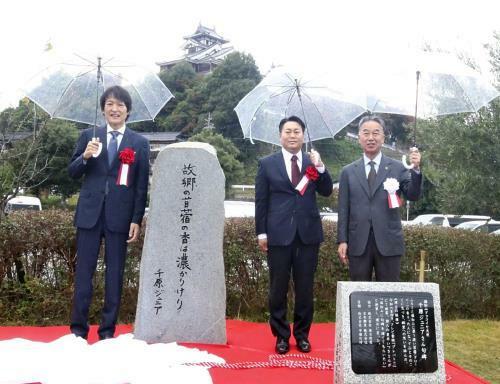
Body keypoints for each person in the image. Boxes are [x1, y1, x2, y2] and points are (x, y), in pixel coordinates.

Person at [68, 85, 150, 340]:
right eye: (110, 104)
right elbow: (72, 172)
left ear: (128, 111)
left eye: (120, 105)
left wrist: (136, 218)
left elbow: (140, 185)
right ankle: (78, 331)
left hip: (120, 217)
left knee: (114, 275)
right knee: (84, 274)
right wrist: (85, 156)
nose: (115, 109)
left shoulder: (139, 142)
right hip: (90, 215)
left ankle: (106, 332)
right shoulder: (88, 137)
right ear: (103, 109)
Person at [255, 116, 333, 354]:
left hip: (307, 235)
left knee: (305, 288)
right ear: (280, 136)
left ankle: (302, 335)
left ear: (303, 135)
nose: (292, 135)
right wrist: (261, 233)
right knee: (277, 288)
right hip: (278, 235)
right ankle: (280, 335)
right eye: (287, 131)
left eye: (296, 131)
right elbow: (261, 201)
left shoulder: (311, 161)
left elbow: (327, 190)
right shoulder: (267, 163)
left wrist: (320, 167)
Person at [337, 115, 422, 282]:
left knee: (389, 295)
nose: (371, 138)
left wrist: (416, 170)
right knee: (360, 295)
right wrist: (342, 240)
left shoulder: (398, 168)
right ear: (359, 137)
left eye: (376, 133)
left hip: (389, 242)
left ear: (383, 137)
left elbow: (413, 194)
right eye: (366, 133)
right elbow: (343, 209)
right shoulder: (347, 172)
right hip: (357, 242)